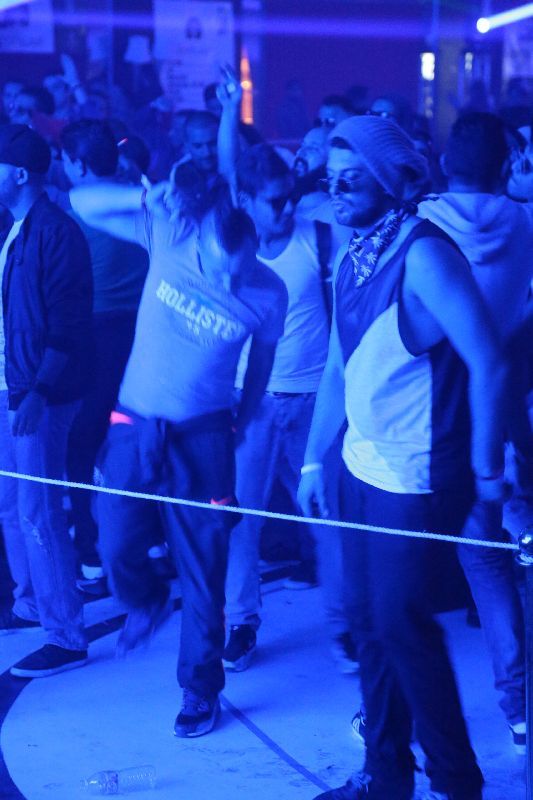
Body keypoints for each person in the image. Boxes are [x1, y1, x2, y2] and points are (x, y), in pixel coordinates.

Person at [298, 115, 507, 800]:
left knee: (400, 626)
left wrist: (485, 472)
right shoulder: (352, 253)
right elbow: (338, 366)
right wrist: (312, 461)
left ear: (391, 181)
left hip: (417, 472)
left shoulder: (424, 255)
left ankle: (457, 783)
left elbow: (490, 361)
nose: (335, 191)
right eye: (331, 178)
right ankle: (385, 777)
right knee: (368, 624)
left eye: (351, 179)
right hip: (359, 463)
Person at [70, 177, 288, 738]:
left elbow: (261, 366)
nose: (228, 284)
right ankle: (144, 601)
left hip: (206, 436)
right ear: (202, 242)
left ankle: (200, 686)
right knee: (113, 539)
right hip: (135, 424)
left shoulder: (269, 292)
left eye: (240, 272)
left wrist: (245, 418)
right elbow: (80, 201)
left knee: (204, 569)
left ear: (254, 248)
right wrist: (143, 196)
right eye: (219, 270)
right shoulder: (171, 234)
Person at [217, 71, 357, 674]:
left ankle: (344, 628)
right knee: (241, 520)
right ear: (246, 202)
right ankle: (241, 623)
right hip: (250, 404)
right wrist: (230, 110)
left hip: (313, 401)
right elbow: (228, 168)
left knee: (327, 522)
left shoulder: (318, 235)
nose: (287, 207)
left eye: (289, 196)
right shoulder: (233, 242)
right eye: (274, 201)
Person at [417, 112, 533, 754]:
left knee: (449, 570)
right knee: (503, 557)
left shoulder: (422, 226)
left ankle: (394, 710)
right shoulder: (523, 223)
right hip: (511, 416)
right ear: (504, 166)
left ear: (444, 163)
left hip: (441, 418)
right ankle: (520, 707)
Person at [0, 124, 93, 678]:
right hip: (12, 387)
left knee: (39, 512)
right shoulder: (16, 228)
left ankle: (66, 634)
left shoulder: (56, 232)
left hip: (39, 395)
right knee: (13, 507)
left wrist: (37, 392)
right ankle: (34, 602)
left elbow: (68, 324)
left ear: (18, 173)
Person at [60, 119, 149, 581]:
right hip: (144, 330)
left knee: (83, 440)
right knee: (134, 439)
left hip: (96, 334)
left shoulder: (78, 203)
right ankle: (147, 541)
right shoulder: (138, 198)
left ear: (77, 163)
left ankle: (92, 551)